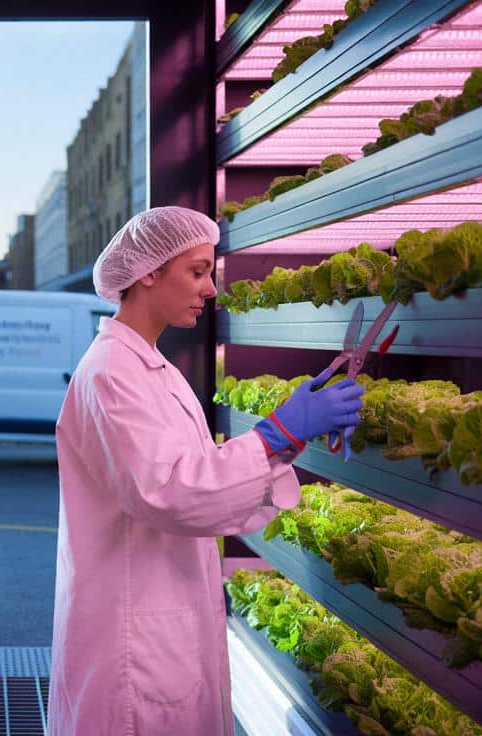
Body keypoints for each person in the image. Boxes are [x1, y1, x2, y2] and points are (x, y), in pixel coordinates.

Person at [48, 207, 365, 735]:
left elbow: (199, 479)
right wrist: (276, 433)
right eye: (197, 272)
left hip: (162, 619)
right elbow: (170, 491)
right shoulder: (111, 372)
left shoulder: (154, 369)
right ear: (149, 272)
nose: (211, 289)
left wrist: (285, 440)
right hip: (133, 644)